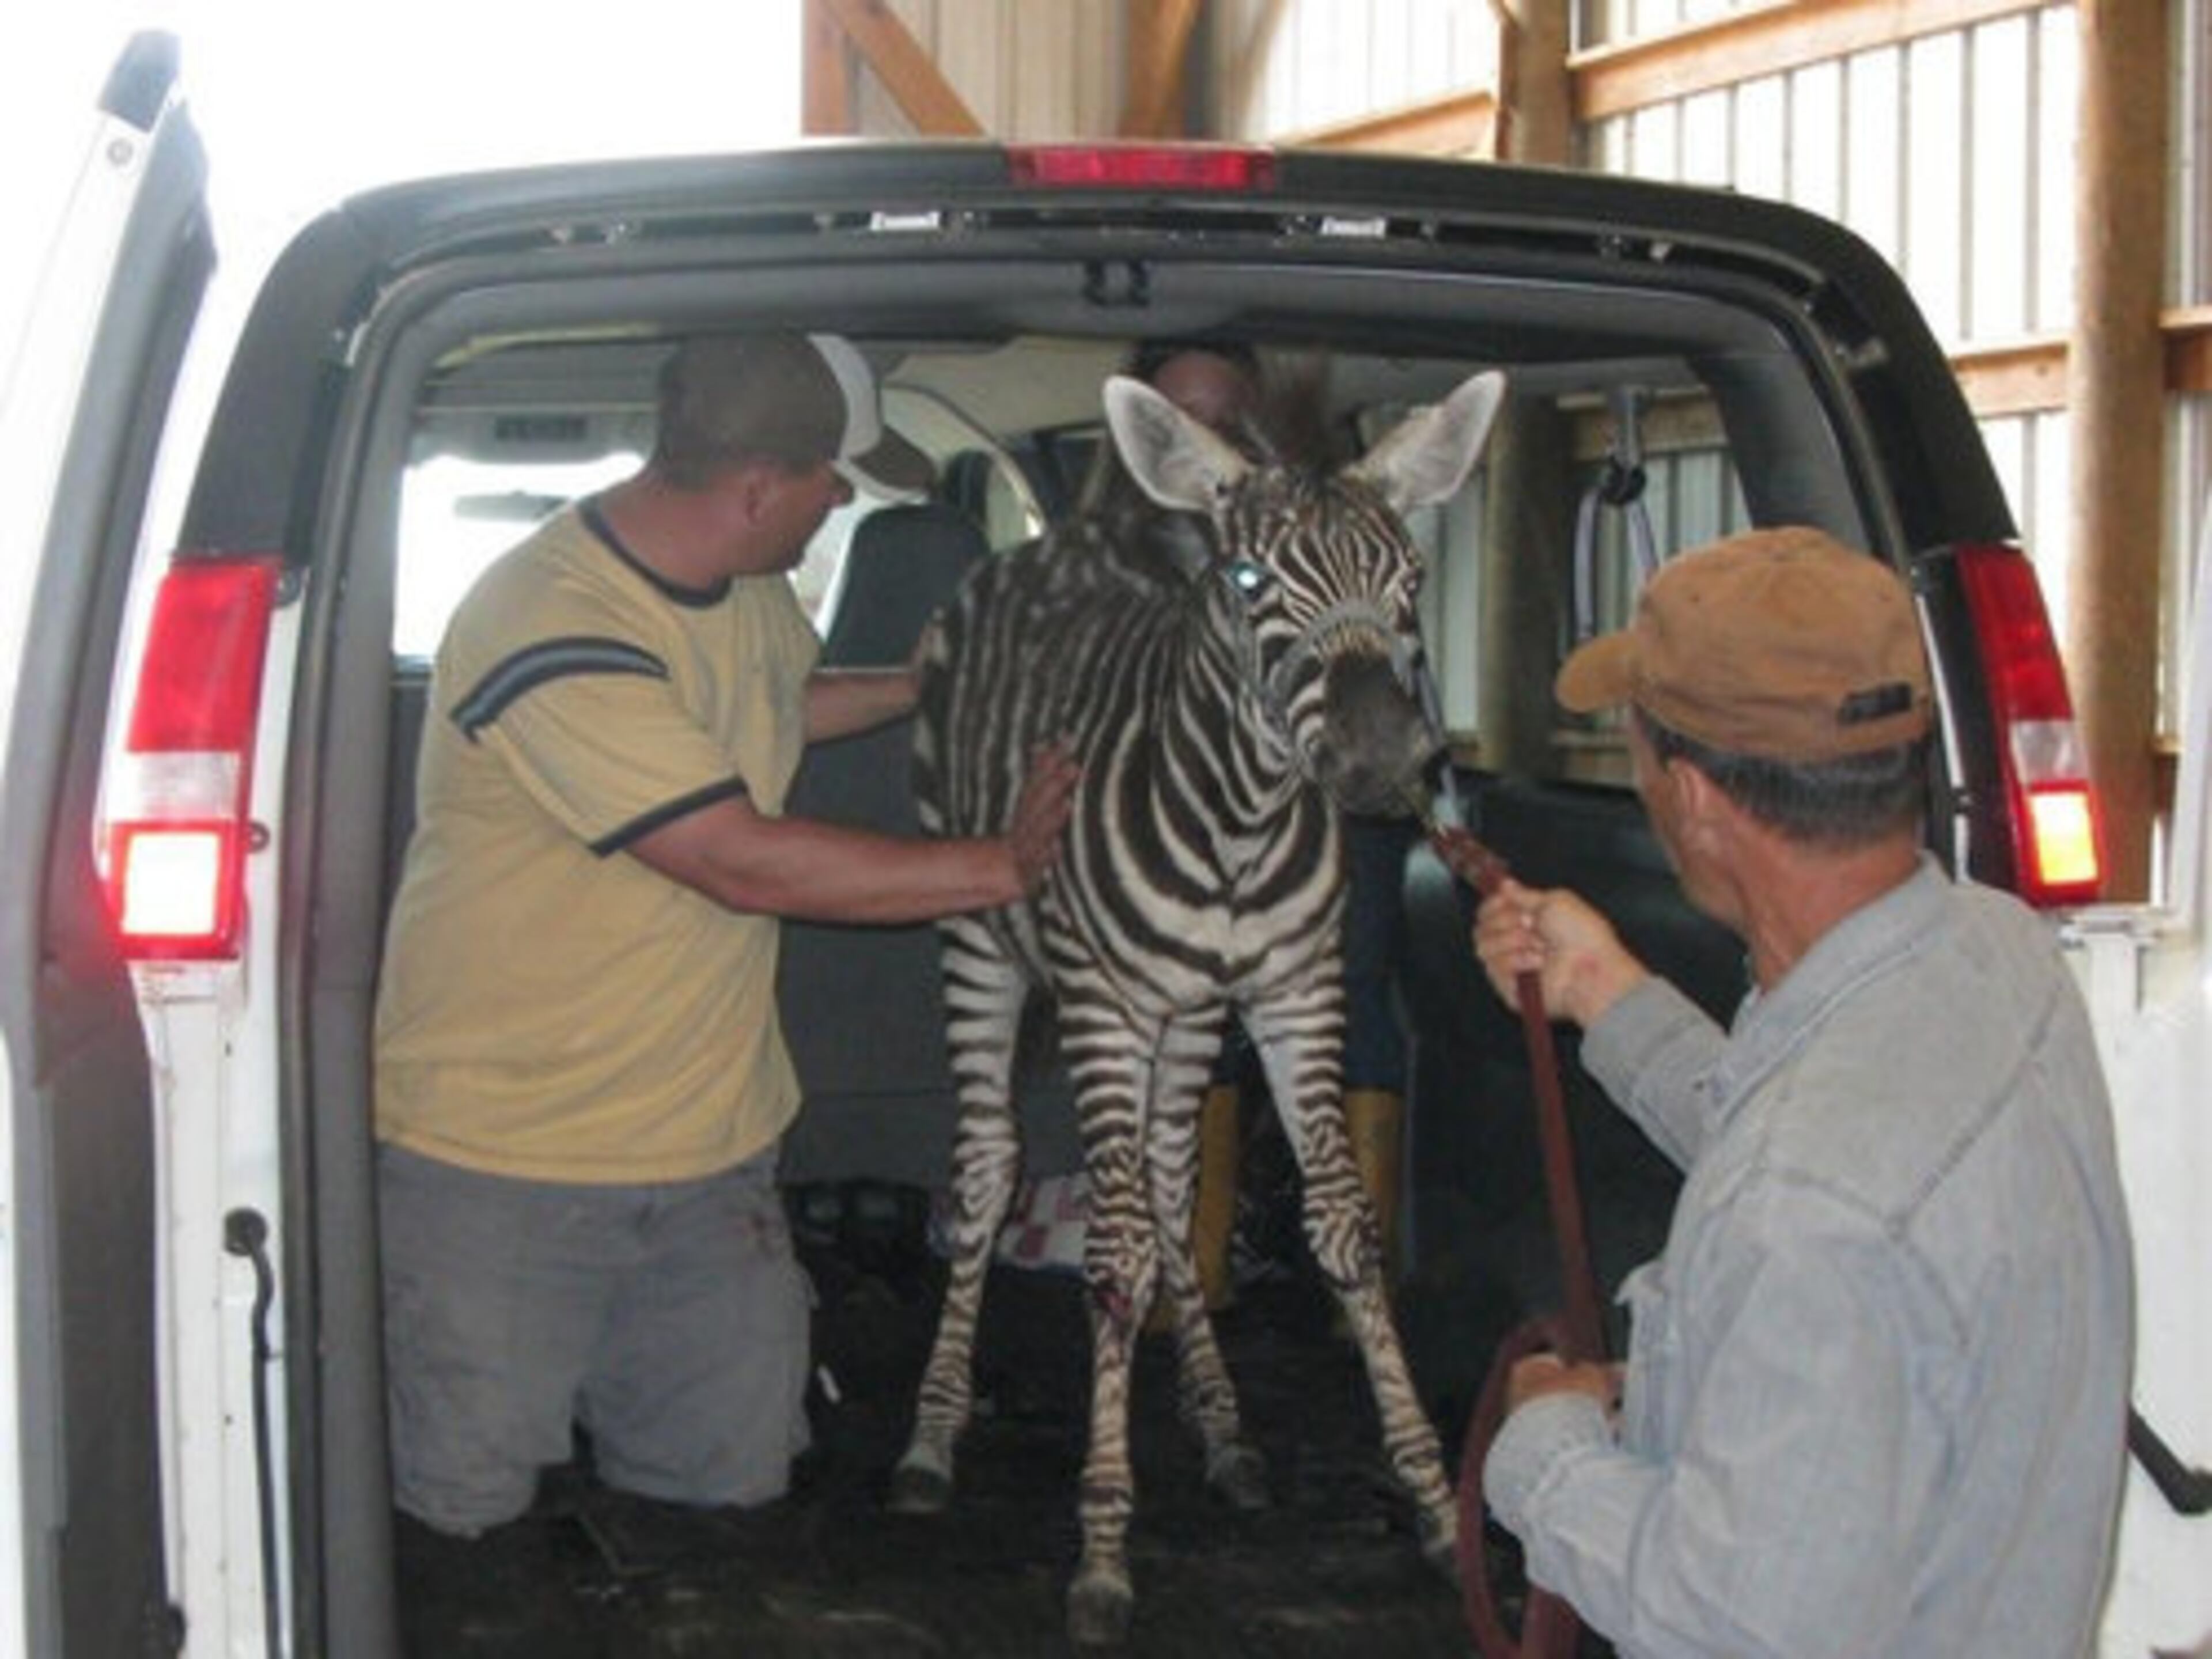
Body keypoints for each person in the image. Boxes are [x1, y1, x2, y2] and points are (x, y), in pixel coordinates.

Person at [372, 331, 1080, 1548]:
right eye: (831, 481)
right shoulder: (550, 622)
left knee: (723, 1505)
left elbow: (766, 706)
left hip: (711, 1161)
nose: (841, 503)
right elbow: (734, 858)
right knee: (470, 1527)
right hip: (505, 1163)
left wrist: (911, 686)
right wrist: (1000, 868)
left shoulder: (747, 591)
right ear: (758, 488)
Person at [1468, 525, 2132, 1658]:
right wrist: (1605, 992)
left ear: (1693, 797)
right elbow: (1814, 1152)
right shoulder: (1998, 955)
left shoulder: (1808, 1215)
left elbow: (1731, 1625)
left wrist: (1542, 1453)